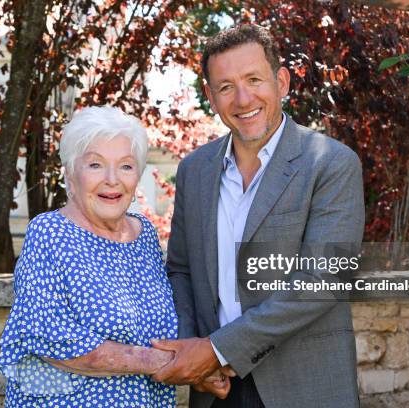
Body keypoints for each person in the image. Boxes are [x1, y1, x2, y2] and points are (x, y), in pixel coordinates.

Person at [151, 25, 365, 407]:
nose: (243, 98)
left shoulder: (330, 164)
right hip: (215, 390)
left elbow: (323, 279)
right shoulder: (194, 171)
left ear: (281, 82)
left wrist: (216, 350)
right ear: (211, 97)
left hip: (303, 387)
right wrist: (192, 355)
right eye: (226, 86)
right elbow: (180, 270)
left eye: (254, 79)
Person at [0, 106, 227, 407]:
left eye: (126, 166)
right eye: (95, 165)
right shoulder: (49, 233)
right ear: (69, 173)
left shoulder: (143, 234)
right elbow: (55, 340)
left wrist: (200, 365)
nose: (112, 179)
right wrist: (177, 364)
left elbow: (160, 327)